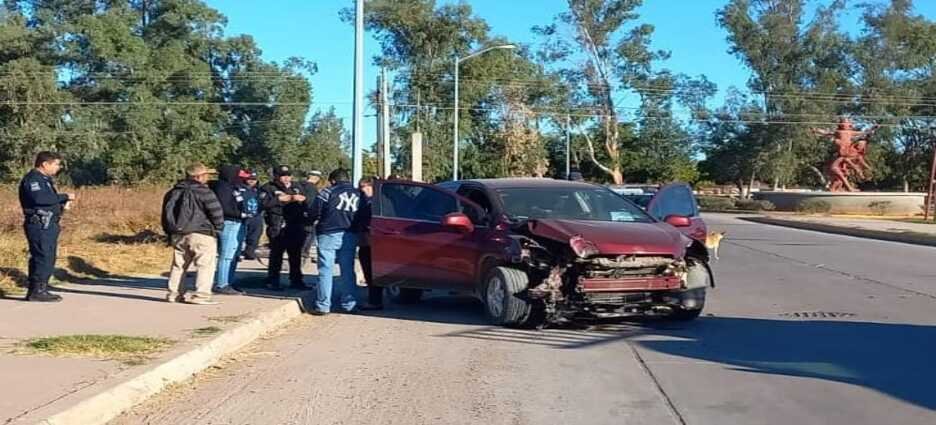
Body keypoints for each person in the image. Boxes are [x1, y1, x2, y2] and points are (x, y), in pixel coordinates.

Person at [161, 163, 225, 305]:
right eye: (206, 175)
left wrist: (169, 232)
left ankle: (174, 294)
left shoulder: (173, 192)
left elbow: (165, 214)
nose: (207, 178)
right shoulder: (204, 192)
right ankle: (201, 295)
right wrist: (218, 227)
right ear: (198, 177)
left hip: (178, 233)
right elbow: (216, 211)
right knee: (205, 265)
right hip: (202, 232)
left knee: (179, 265)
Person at [17, 152, 75, 302]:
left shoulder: (45, 180)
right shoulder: (33, 179)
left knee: (47, 256)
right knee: (43, 256)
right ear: (45, 164)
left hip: (48, 224)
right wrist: (64, 196)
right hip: (39, 224)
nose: (58, 167)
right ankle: (37, 291)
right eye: (56, 164)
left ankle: (40, 288)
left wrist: (61, 206)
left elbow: (48, 201)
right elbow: (40, 198)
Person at [307, 169, 364, 315]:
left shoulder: (327, 192)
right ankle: (349, 304)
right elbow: (363, 214)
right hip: (350, 234)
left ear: (333, 180)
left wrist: (312, 221)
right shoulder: (359, 194)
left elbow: (314, 212)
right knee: (348, 270)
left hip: (328, 233)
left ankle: (323, 305)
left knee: (325, 269)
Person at [260, 165, 307, 290]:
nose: (286, 178)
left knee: (295, 255)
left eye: (288, 175)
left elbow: (306, 202)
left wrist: (301, 200)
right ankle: (273, 281)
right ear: (276, 176)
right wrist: (279, 199)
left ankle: (296, 281)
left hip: (295, 224)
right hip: (277, 224)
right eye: (283, 176)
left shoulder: (297, 187)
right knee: (276, 255)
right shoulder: (268, 188)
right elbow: (263, 204)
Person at [212, 165, 251, 295]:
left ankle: (229, 281)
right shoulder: (222, 188)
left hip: (239, 222)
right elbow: (224, 207)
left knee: (235, 255)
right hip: (229, 222)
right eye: (238, 176)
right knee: (227, 255)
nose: (241, 179)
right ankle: (221, 283)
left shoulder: (233, 187)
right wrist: (241, 214)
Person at [356, 176, 382, 311]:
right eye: (361, 187)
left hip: (372, 241)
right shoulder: (364, 201)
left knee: (372, 272)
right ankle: (374, 299)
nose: (363, 190)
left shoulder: (376, 203)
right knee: (369, 272)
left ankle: (375, 301)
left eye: (366, 187)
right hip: (366, 241)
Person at [299, 170, 323, 261]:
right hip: (308, 217)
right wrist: (315, 216)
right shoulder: (311, 188)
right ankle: (303, 255)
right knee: (308, 236)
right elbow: (311, 204)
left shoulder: (299, 185)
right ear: (316, 178)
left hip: (297, 216)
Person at [241, 170, 264, 261]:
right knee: (241, 235)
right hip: (244, 216)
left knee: (254, 236)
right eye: (249, 179)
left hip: (256, 216)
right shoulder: (240, 189)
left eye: (254, 179)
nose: (251, 181)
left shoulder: (260, 190)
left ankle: (250, 252)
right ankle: (238, 252)